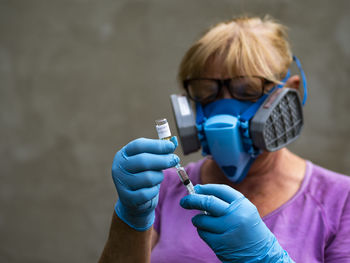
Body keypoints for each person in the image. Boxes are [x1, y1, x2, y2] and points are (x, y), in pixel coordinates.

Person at [98, 16, 350, 262]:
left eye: (248, 90)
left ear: (289, 93)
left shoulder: (341, 201)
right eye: (205, 92)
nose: (223, 109)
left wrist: (267, 259)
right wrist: (130, 217)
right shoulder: (161, 188)